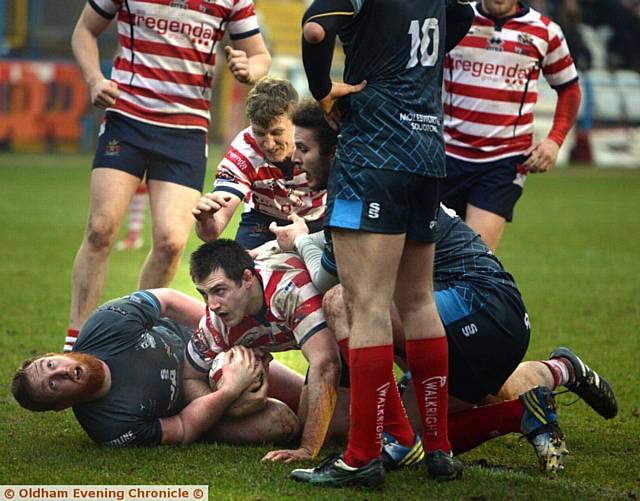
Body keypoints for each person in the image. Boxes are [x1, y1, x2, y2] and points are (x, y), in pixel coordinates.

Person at [265, 100, 617, 474]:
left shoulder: (355, 188)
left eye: (302, 148)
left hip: (475, 303)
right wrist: (308, 237)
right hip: (501, 320)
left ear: (335, 149)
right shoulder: (383, 172)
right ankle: (554, 377)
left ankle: (399, 438)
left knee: (344, 302)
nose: (295, 159)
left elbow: (329, 278)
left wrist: (301, 242)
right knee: (415, 418)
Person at [297, 0, 460, 488]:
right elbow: (465, 16)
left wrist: (323, 90)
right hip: (428, 149)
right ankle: (439, 448)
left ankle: (361, 456)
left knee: (365, 305)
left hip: (375, 150)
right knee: (417, 301)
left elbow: (314, 32)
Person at [65, 0, 271, 352]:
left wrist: (248, 69)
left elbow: (258, 54)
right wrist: (94, 79)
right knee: (100, 229)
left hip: (185, 130)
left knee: (171, 242)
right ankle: (78, 343)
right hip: (126, 118)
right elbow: (84, 30)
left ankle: (127, 336)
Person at [12, 289, 302, 446]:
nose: (61, 371)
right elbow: (185, 427)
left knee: (315, 403)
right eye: (53, 384)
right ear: (62, 405)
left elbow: (168, 301)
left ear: (54, 354)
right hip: (204, 410)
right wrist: (229, 393)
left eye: (50, 364)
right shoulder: (109, 427)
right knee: (283, 422)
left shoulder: (104, 325)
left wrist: (226, 335)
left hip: (207, 351)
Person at [441, 0, 582, 252]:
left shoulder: (545, 31)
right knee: (428, 257)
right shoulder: (454, 18)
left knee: (474, 257)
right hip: (446, 154)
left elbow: (569, 88)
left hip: (502, 161)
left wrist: (554, 139)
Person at [186, 239, 341, 463]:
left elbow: (326, 363)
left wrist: (307, 450)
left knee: (336, 432)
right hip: (332, 348)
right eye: (204, 294)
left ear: (247, 278)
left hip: (358, 327)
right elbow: (190, 376)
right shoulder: (216, 323)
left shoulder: (289, 288)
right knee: (291, 427)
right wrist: (223, 404)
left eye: (220, 290)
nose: (212, 305)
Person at [192, 77, 326, 249]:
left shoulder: (319, 141)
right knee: (240, 273)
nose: (268, 144)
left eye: (277, 132)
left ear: (296, 122)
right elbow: (210, 234)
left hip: (316, 219)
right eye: (259, 133)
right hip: (262, 220)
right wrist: (206, 220)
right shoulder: (243, 152)